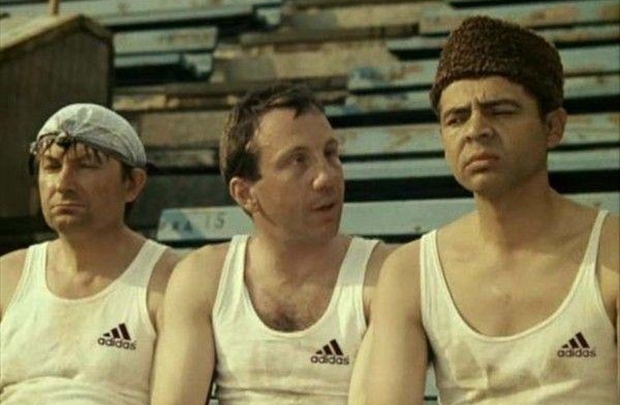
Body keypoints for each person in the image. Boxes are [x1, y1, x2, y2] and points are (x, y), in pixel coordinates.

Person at [352, 16, 619, 405]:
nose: (476, 129)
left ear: (553, 127)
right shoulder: (411, 273)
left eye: (501, 111)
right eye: (456, 118)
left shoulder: (612, 252)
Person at [150, 84, 394, 405]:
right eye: (298, 161)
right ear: (244, 194)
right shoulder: (203, 278)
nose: (326, 177)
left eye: (330, 153)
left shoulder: (385, 274)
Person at [0, 104, 178, 405]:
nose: (63, 184)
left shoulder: (171, 280)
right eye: (51, 166)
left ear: (132, 184)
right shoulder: (7, 277)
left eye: (85, 166)